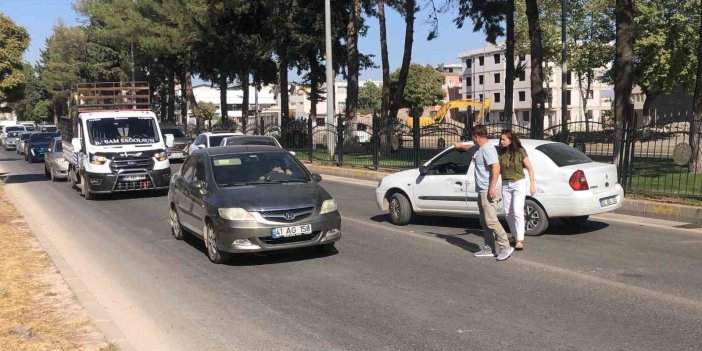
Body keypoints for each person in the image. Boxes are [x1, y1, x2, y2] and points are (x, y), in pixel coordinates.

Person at [454, 125, 513, 261]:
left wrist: (492, 187)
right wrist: (460, 146)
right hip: (482, 190)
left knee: (491, 221)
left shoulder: (488, 149)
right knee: (484, 221)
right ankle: (489, 248)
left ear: (476, 137)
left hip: (488, 189)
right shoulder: (479, 148)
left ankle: (505, 246)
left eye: (472, 138)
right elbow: (470, 148)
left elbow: (496, 167)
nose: (472, 140)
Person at [498, 130, 536, 251]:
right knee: (508, 212)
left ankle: (520, 240)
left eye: (504, 139)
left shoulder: (520, 151)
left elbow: (530, 168)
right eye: (501, 139)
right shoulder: (500, 152)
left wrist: (532, 185)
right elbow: (495, 167)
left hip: (518, 183)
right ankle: (514, 236)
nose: (501, 141)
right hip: (505, 183)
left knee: (518, 210)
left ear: (510, 139)